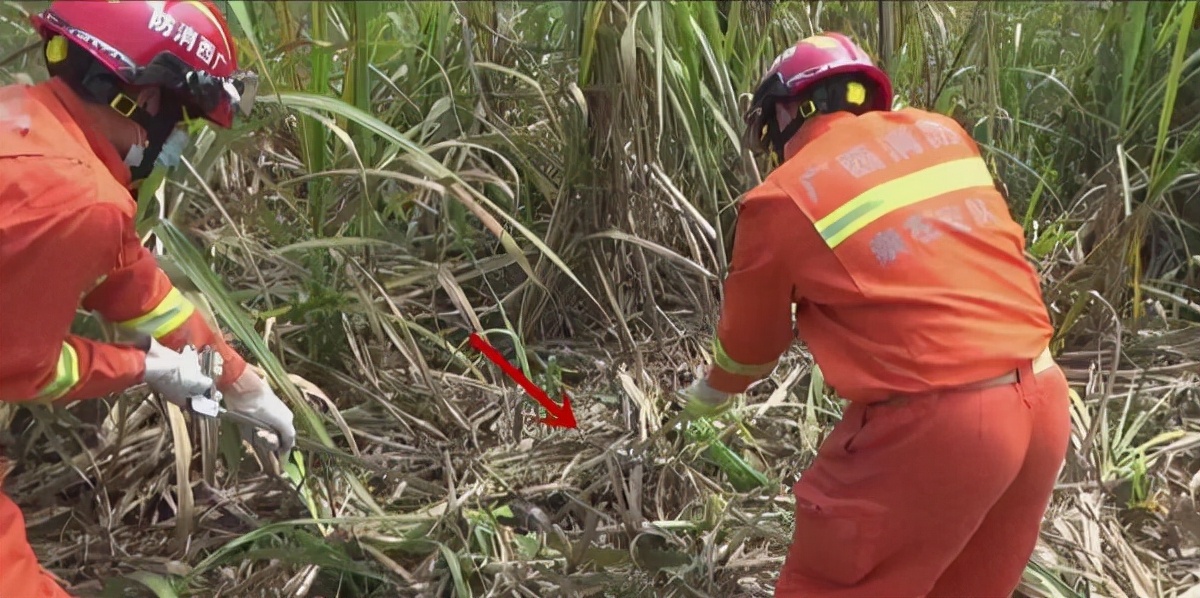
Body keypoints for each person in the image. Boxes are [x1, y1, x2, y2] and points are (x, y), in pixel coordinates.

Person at [679, 32, 1072, 596]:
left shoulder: (783, 197)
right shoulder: (944, 136)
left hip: (941, 430)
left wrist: (710, 394)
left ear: (787, 111)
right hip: (1043, 401)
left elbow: (751, 344)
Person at [0, 2, 296, 595]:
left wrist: (237, 381)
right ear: (138, 96)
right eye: (182, 115)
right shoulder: (78, 198)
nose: (178, 137)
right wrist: (142, 367)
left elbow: (130, 281)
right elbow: (24, 369)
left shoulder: (27, 121)